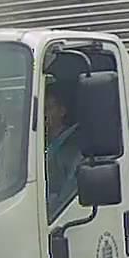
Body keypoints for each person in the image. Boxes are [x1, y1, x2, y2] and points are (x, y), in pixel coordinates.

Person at [44, 83, 83, 218]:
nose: (43, 115)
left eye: (48, 108)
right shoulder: (41, 144)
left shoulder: (72, 147)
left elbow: (65, 196)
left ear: (62, 111)